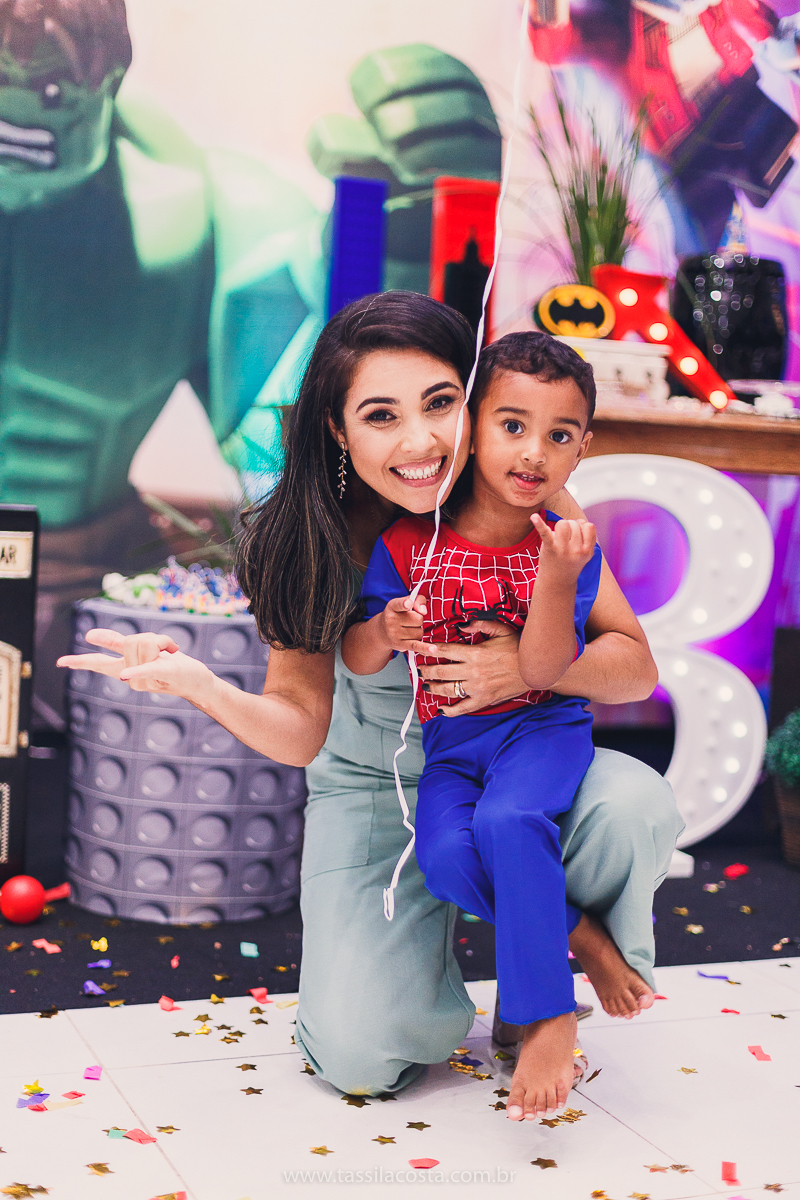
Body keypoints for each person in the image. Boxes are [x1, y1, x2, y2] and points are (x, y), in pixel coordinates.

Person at [57, 291, 683, 1110]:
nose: (421, 442)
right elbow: (298, 730)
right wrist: (198, 684)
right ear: (338, 429)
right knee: (361, 1056)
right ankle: (568, 932)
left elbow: (635, 668)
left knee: (631, 803)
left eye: (441, 404)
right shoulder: (308, 539)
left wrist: (524, 673)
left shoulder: (521, 484)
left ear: (477, 401)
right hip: (372, 789)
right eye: (381, 415)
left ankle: (534, 1011)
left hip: (518, 756)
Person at [341, 332, 606, 1118]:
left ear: (583, 448)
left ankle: (547, 1013)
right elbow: (356, 658)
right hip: (453, 745)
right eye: (512, 426)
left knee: (512, 817)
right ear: (472, 426)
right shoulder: (405, 541)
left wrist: (558, 581)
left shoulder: (566, 544)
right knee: (449, 859)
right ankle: (579, 934)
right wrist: (385, 629)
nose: (533, 453)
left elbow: (545, 668)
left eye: (559, 436)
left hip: (541, 730)